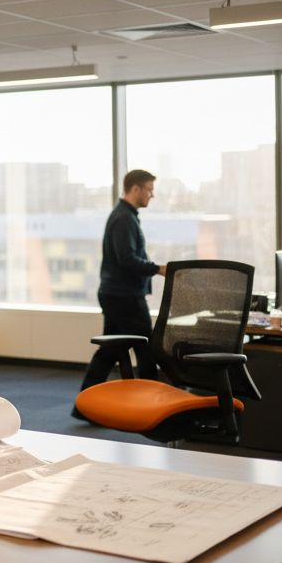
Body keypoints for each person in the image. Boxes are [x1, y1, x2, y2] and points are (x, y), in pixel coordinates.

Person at [76, 169, 168, 408]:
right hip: (124, 296)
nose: (151, 195)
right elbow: (126, 259)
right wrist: (157, 269)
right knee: (145, 346)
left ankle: (85, 405)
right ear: (135, 188)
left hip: (118, 294)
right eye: (149, 189)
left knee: (110, 350)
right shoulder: (124, 218)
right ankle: (153, 402)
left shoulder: (126, 216)